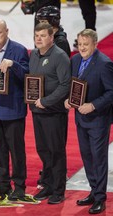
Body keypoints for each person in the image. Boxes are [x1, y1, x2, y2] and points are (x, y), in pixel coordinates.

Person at [64, 29, 113, 214]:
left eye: (86, 44)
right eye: (80, 44)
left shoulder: (104, 64)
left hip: (98, 120)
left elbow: (111, 92)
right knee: (87, 157)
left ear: (95, 44)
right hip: (80, 118)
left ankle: (101, 198)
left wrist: (93, 105)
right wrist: (69, 100)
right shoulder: (75, 60)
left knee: (99, 159)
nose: (82, 47)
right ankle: (93, 191)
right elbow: (73, 85)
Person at [0, 19, 29, 200]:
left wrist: (14, 65)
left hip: (14, 109)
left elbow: (28, 77)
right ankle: (3, 183)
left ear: (7, 31)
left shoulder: (19, 50)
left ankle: (19, 185)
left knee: (16, 149)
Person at [29, 23, 71, 204]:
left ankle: (58, 189)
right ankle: (47, 184)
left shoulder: (60, 56)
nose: (39, 39)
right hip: (37, 111)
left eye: (43, 36)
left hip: (54, 113)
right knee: (43, 150)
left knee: (56, 151)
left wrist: (46, 101)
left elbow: (65, 85)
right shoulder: (34, 54)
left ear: (51, 37)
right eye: (36, 35)